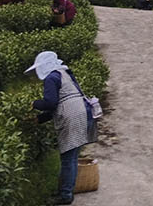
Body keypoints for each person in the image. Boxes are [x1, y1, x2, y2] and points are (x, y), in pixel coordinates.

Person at [27, 51, 97, 205]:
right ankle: (66, 190)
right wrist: (40, 119)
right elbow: (61, 102)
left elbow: (51, 103)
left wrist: (35, 104)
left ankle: (65, 195)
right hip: (82, 113)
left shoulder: (51, 78)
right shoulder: (64, 73)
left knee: (67, 159)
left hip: (72, 117)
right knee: (71, 157)